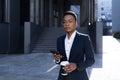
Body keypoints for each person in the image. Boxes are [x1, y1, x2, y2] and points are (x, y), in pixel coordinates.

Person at [52, 10, 95, 80]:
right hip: (63, 77)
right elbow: (62, 60)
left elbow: (91, 60)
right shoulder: (59, 40)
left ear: (76, 23)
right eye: (64, 22)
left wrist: (76, 66)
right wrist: (57, 59)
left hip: (79, 77)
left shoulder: (84, 39)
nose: (67, 24)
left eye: (70, 21)